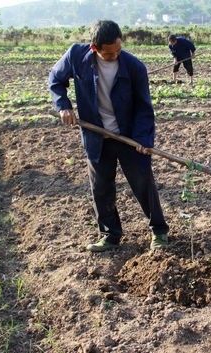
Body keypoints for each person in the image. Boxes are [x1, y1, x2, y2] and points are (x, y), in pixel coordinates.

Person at [48, 20, 170, 252]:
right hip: (96, 135)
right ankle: (110, 235)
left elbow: (144, 108)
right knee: (101, 187)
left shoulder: (134, 67)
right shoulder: (76, 56)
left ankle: (159, 231)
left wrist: (144, 140)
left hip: (129, 137)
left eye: (118, 51)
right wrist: (63, 105)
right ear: (94, 48)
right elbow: (55, 80)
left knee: (143, 183)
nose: (115, 56)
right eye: (109, 53)